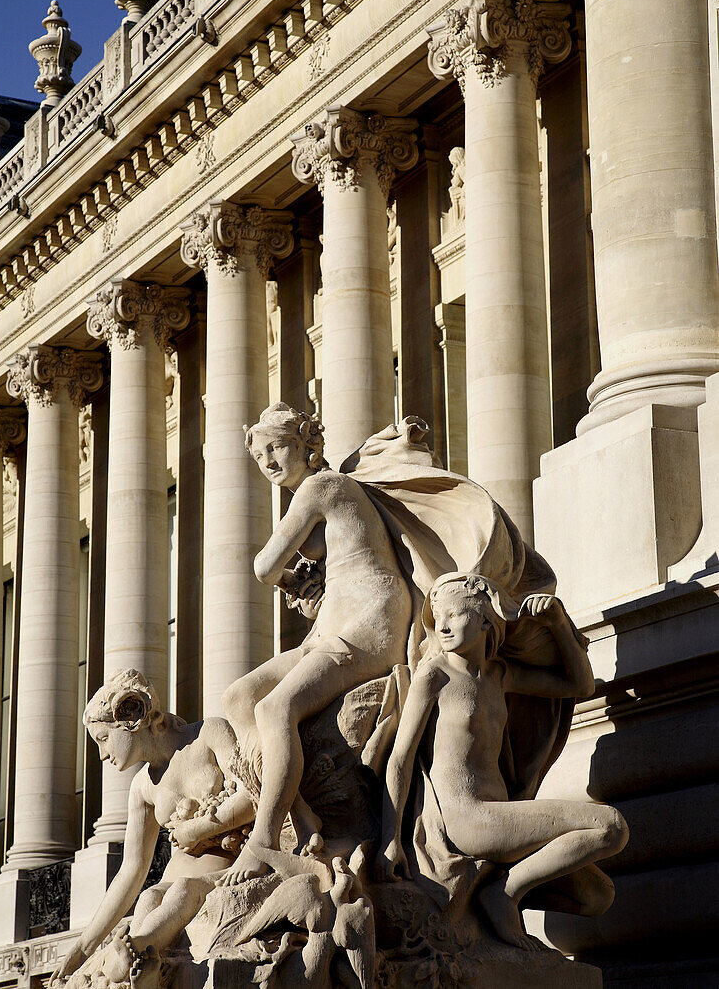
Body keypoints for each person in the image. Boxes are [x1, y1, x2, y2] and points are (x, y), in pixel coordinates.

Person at [375, 574, 628, 950]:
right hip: (469, 819)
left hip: (502, 817)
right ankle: (505, 894)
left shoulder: (498, 676)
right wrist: (389, 840)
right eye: (438, 616)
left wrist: (558, 625)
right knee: (609, 826)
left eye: (455, 614)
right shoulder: (434, 674)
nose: (442, 626)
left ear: (484, 620)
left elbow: (581, 686)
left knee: (597, 896)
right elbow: (400, 759)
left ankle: (495, 892)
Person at [221, 403, 413, 882]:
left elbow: (264, 566)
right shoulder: (320, 492)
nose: (267, 462)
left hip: (369, 620)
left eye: (276, 447)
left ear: (308, 445)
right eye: (259, 454)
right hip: (334, 621)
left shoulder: (320, 486)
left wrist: (289, 578)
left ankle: (264, 838)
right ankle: (300, 814)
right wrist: (310, 584)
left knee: (272, 709)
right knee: (238, 697)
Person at [50, 669, 255, 989]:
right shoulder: (142, 787)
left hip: (226, 871)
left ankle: (130, 955)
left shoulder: (208, 733)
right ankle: (132, 970)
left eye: (103, 739)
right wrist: (81, 948)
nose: (102, 754)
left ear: (130, 714)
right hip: (174, 879)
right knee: (148, 898)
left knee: (183, 890)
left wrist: (196, 829)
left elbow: (253, 793)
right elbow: (131, 872)